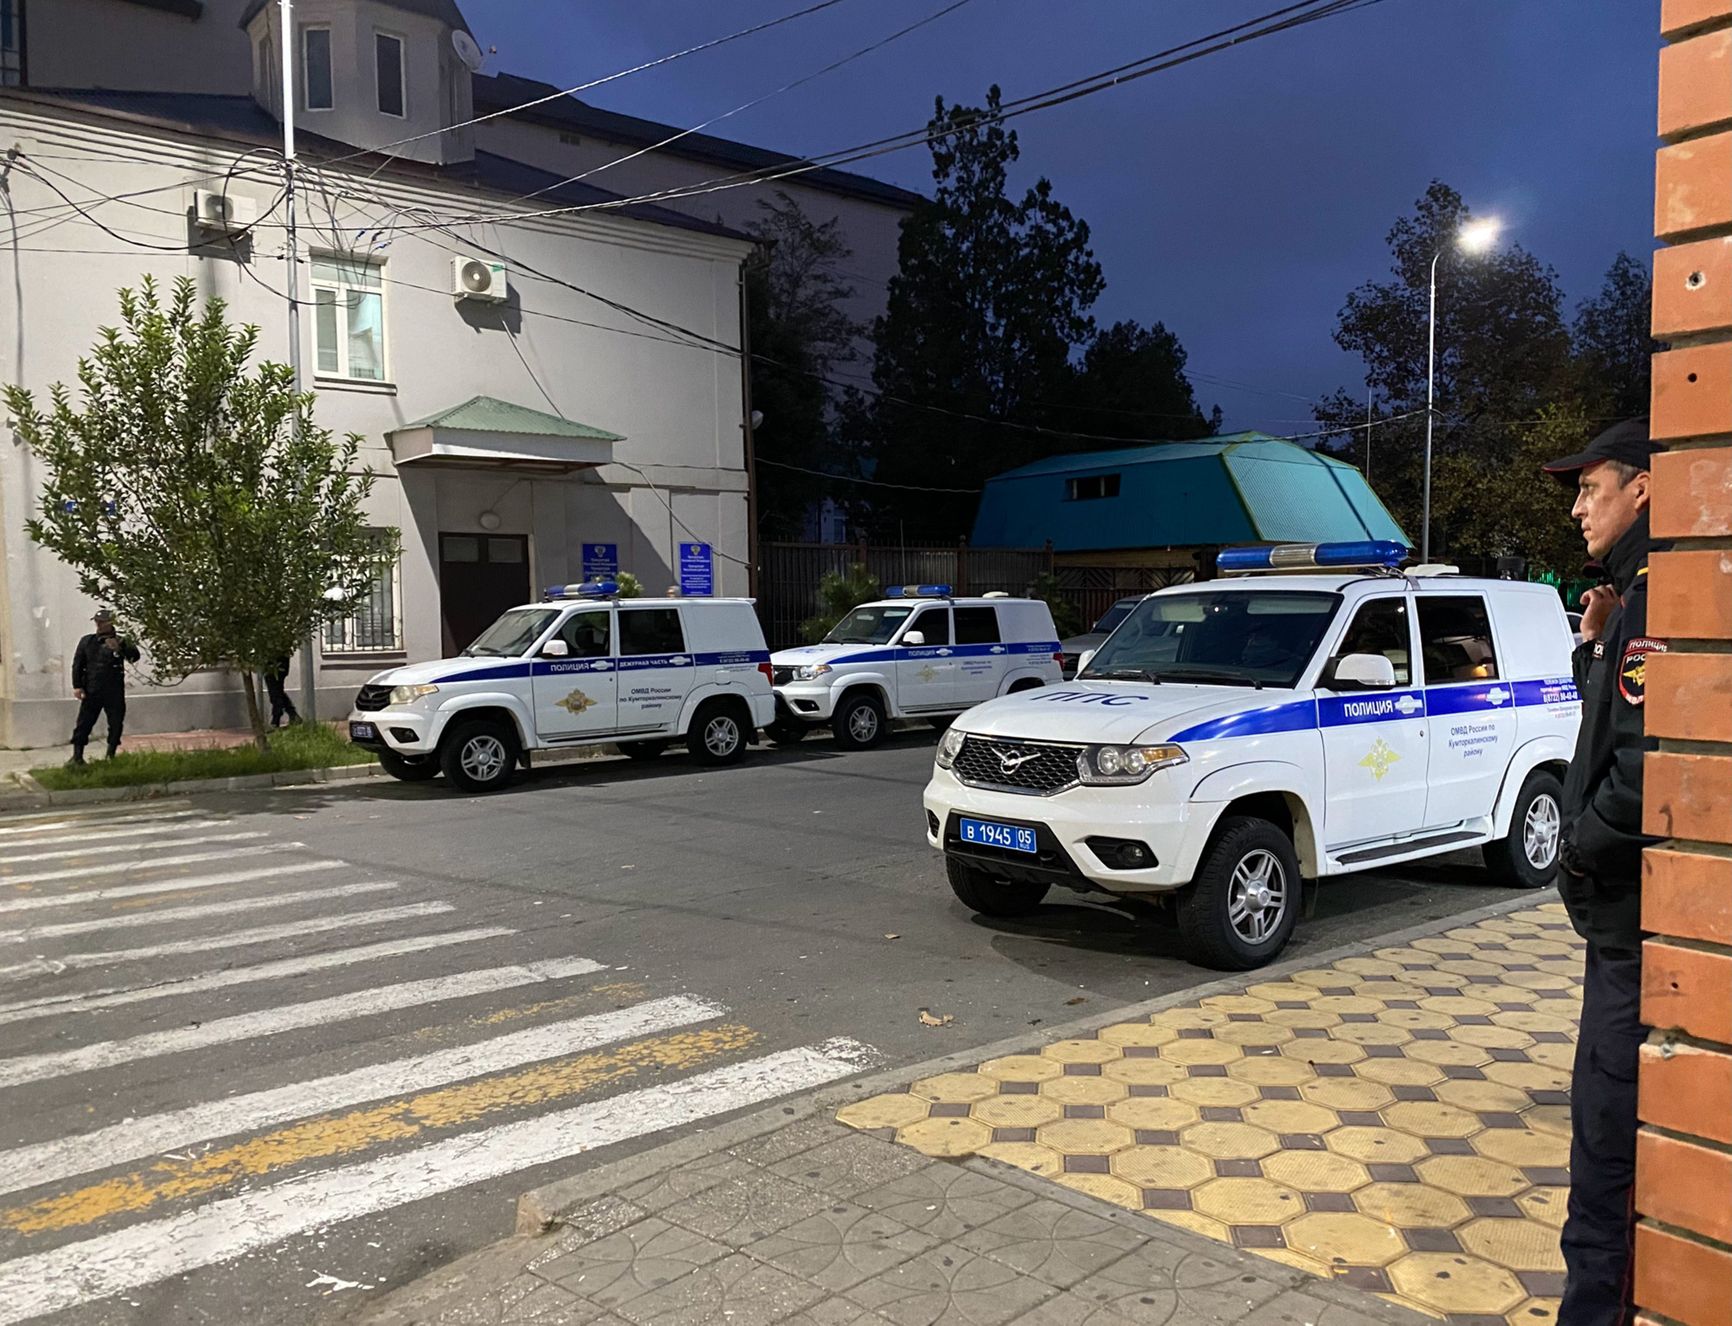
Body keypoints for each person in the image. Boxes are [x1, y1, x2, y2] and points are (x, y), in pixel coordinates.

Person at [1541, 418, 1666, 1326]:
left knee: (1607, 1147)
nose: (1578, 506)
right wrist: (1597, 644)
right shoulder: (1631, 601)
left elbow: (1641, 767)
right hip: (1623, 924)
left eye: (1592, 488)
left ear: (1642, 491)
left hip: (1628, 924)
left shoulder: (1657, 601)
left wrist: (1579, 846)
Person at [69, 608, 140, 764]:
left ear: (110, 623)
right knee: (84, 723)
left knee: (115, 723)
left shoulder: (121, 641)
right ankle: (77, 756)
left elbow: (134, 657)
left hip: (114, 690)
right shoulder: (87, 641)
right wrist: (77, 686)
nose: (99, 625)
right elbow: (77, 665)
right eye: (97, 622)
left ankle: (111, 754)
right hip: (92, 689)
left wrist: (121, 648)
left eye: (102, 622)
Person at [265, 654, 299, 728]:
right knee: (277, 691)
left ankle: (276, 719)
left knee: (275, 692)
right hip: (278, 664)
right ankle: (292, 714)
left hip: (275, 665)